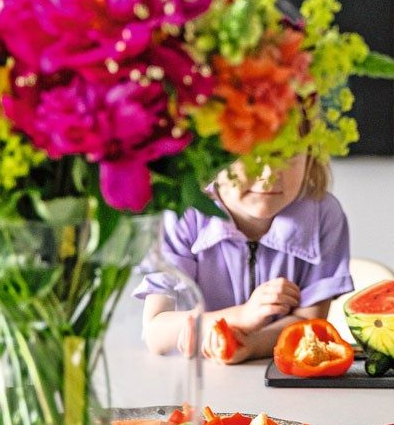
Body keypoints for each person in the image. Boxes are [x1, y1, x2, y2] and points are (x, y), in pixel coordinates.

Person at [139, 152, 351, 363]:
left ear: (311, 155)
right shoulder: (182, 213)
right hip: (196, 382)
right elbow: (156, 332)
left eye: (288, 155)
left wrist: (252, 345)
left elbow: (309, 323)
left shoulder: (324, 214)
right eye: (249, 157)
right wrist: (242, 316)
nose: (268, 175)